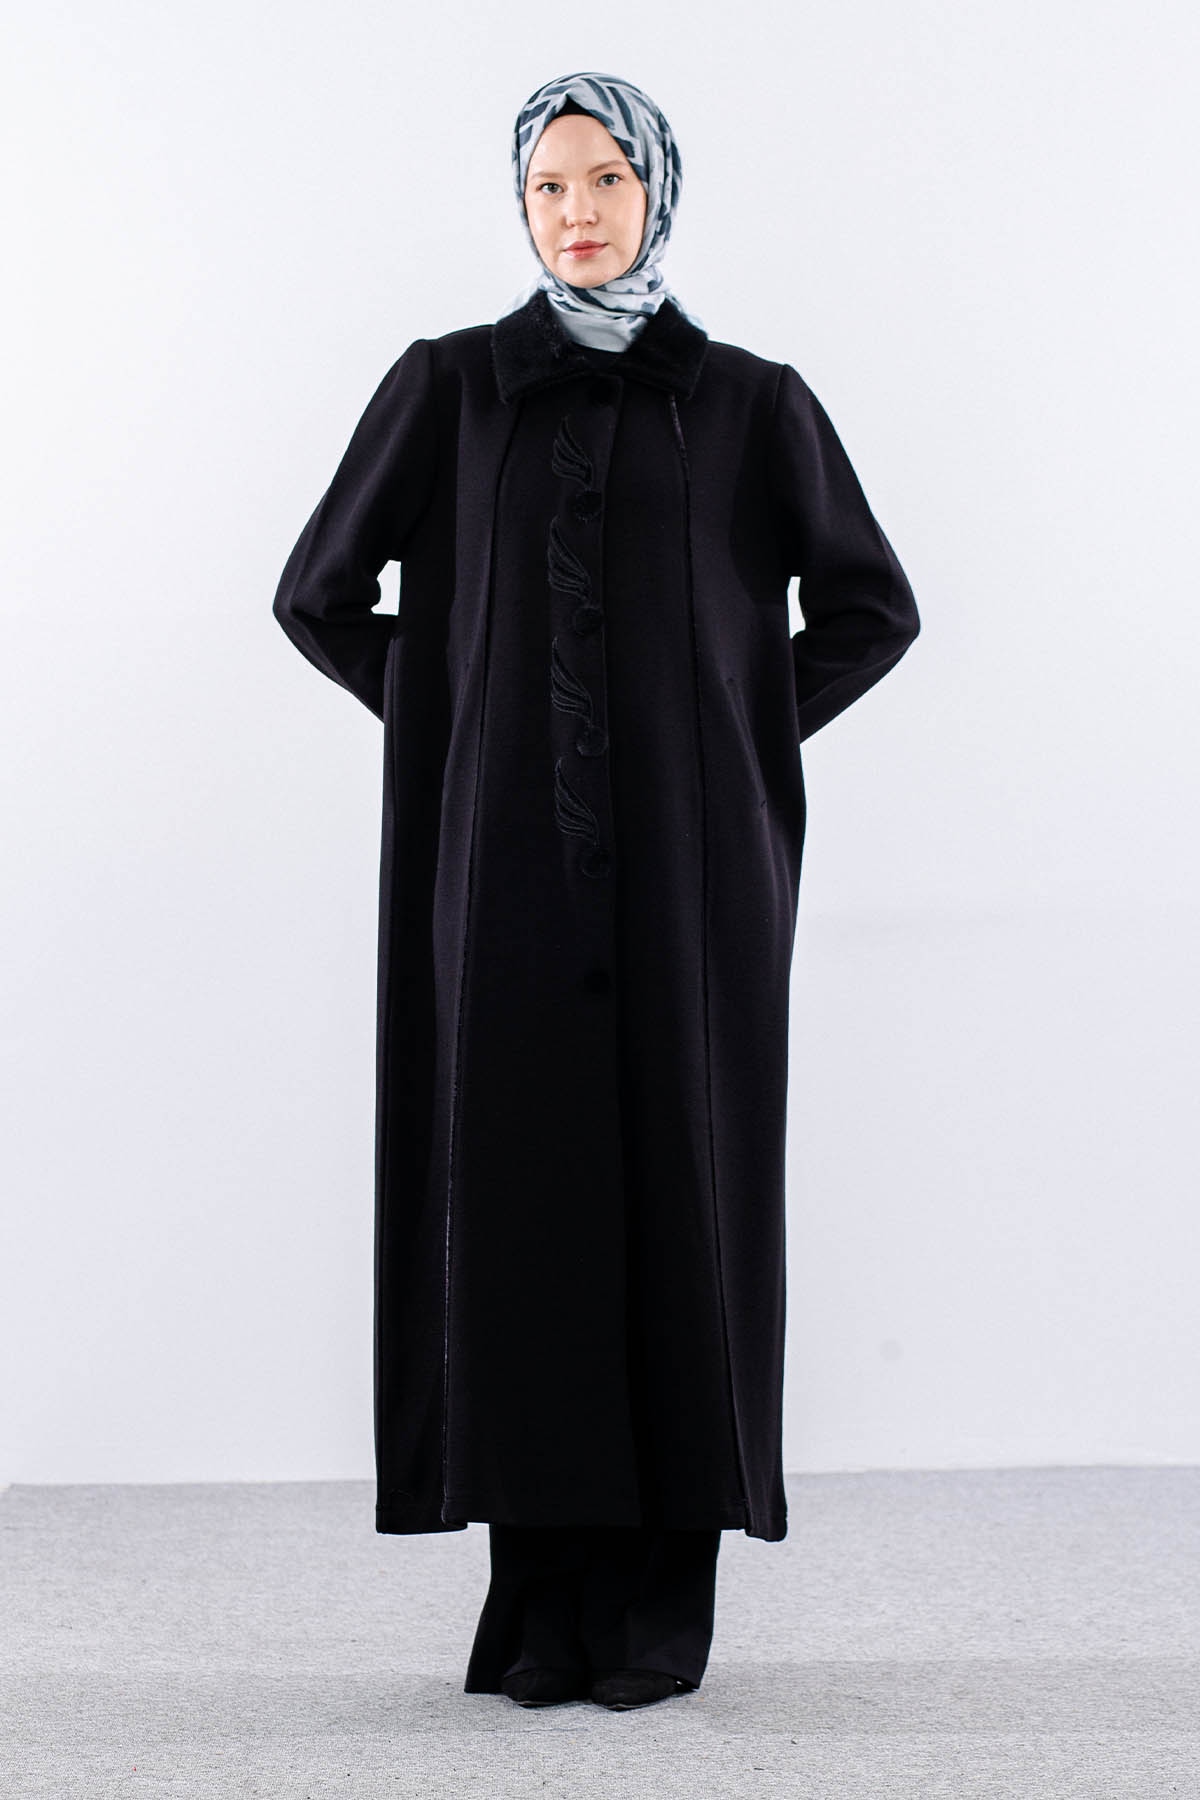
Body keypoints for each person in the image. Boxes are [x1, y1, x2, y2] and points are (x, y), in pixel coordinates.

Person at [271, 70, 921, 1712]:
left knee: (681, 1201)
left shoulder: (751, 406)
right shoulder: (451, 390)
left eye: (607, 181)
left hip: (697, 896)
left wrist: (729, 728)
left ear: (659, 195)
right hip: (499, 881)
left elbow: (871, 610)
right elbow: (319, 593)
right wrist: (461, 714)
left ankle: (656, 1613)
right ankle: (538, 1609)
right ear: (521, 205)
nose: (577, 213)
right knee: (521, 1213)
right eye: (549, 186)